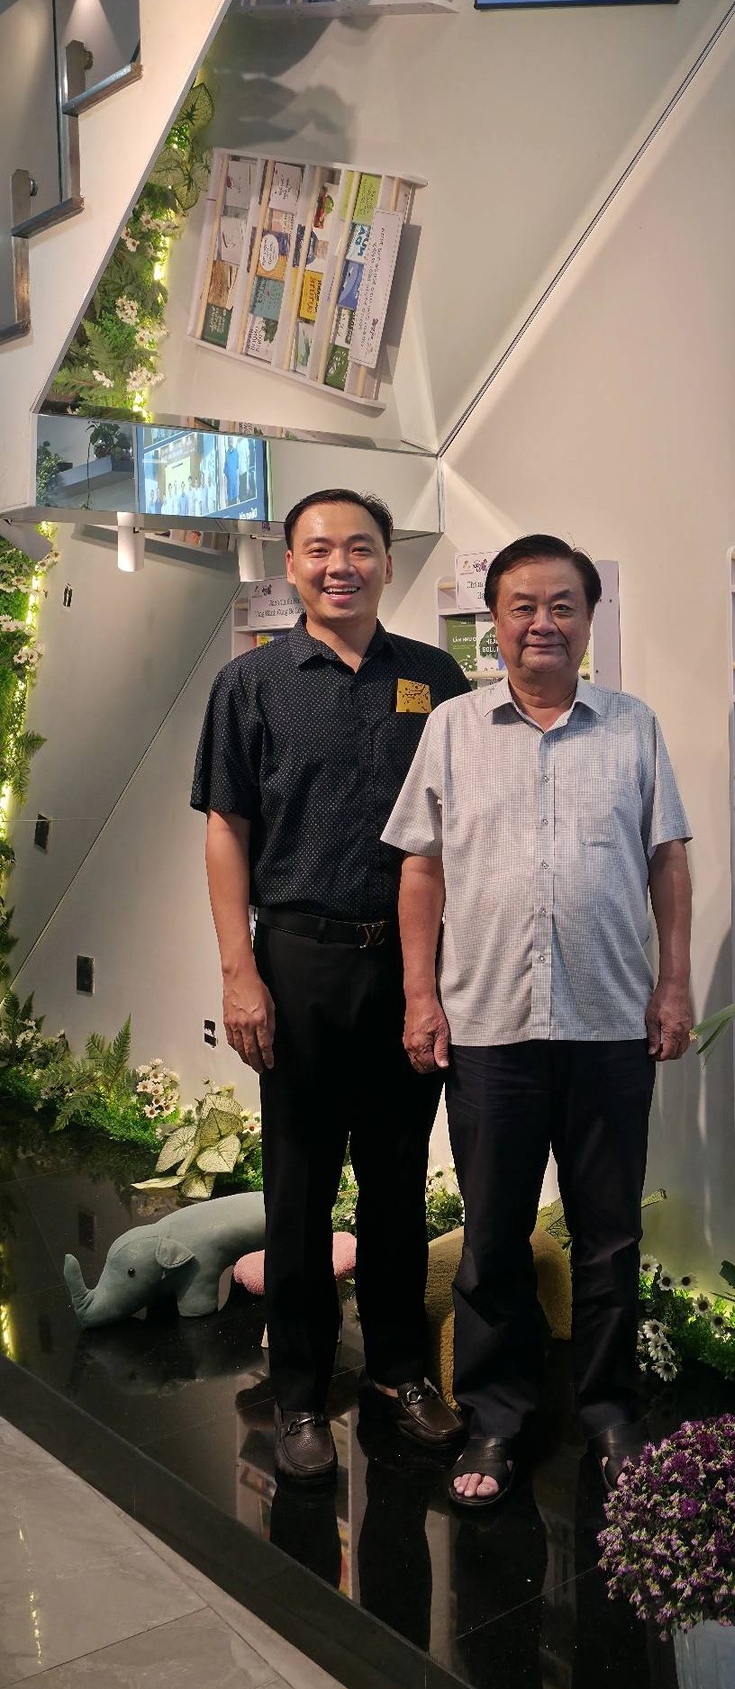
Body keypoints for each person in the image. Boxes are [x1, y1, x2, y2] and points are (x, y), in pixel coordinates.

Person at [383, 536, 692, 1507]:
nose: (542, 623)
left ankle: (609, 1412)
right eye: (522, 606)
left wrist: (674, 984)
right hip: (489, 1023)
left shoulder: (633, 727)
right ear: (495, 622)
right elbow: (421, 866)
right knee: (492, 1235)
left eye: (562, 605)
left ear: (589, 619)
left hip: (608, 1021)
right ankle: (495, 1417)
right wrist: (420, 995)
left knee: (608, 1236)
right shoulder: (452, 728)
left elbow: (668, 862)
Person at [192, 490, 470, 1483]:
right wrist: (240, 971)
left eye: (359, 547)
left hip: (409, 963)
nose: (339, 565)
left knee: (397, 1175)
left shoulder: (434, 679)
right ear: (291, 564)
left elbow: (462, 824)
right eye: (319, 549)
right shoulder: (252, 683)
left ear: (388, 562)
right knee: (300, 1183)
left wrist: (439, 978)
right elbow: (226, 828)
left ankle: (399, 1371)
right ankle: (302, 1391)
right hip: (297, 958)